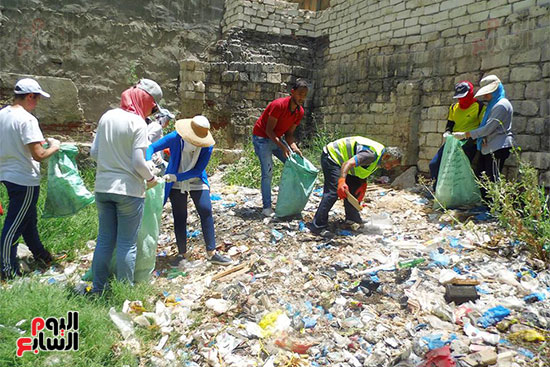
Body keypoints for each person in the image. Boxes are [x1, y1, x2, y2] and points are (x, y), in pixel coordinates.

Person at [90, 78, 161, 293]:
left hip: (103, 188)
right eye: (153, 106)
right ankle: (124, 291)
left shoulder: (107, 117)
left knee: (104, 240)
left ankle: (98, 288)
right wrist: (151, 177)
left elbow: (94, 153)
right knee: (127, 244)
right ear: (145, 100)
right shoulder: (137, 122)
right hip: (128, 191)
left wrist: (111, 163)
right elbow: (138, 162)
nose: (152, 111)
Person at [146, 115, 232, 267]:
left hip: (195, 179)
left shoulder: (207, 146)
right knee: (180, 216)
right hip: (175, 181)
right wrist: (148, 161)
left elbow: (198, 169)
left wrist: (177, 176)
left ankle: (212, 253)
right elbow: (152, 147)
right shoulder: (175, 137)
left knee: (206, 210)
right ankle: (182, 254)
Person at [0, 78, 60, 280]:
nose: (37, 104)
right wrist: (55, 146)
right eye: (37, 99)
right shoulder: (27, 120)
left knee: (28, 220)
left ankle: (41, 255)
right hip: (24, 178)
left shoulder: (3, 115)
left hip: (7, 173)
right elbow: (39, 155)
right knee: (14, 225)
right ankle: (7, 269)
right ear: (30, 96)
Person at [308, 136, 402, 234]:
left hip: (346, 164)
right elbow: (347, 164)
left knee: (354, 190)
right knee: (333, 192)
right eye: (390, 165)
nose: (389, 168)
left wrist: (362, 183)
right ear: (386, 157)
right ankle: (318, 226)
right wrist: (341, 181)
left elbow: (363, 168)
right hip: (333, 157)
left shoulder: (379, 157)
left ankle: (352, 219)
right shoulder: (370, 155)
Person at [252, 79, 308, 216]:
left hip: (277, 138)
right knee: (268, 172)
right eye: (300, 94)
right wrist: (283, 146)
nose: (302, 98)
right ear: (292, 92)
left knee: (294, 165)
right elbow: (268, 130)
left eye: (305, 95)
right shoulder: (279, 105)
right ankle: (266, 207)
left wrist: (294, 147)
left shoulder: (299, 112)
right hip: (262, 138)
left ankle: (291, 202)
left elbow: (289, 135)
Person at [453, 75, 514, 186]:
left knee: (492, 179)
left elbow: (488, 128)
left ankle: (491, 203)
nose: (485, 96)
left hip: (498, 147)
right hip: (489, 145)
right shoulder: (493, 104)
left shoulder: (501, 105)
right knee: (482, 177)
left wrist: (466, 134)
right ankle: (484, 202)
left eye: (488, 93)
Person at [429, 81, 485, 190]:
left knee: (457, 171)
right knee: (434, 164)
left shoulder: (479, 107)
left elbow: (482, 128)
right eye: (459, 98)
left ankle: (452, 195)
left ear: (470, 94)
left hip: (469, 144)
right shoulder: (454, 107)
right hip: (453, 141)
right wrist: (448, 132)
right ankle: (436, 190)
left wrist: (467, 136)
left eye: (463, 97)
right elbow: (450, 123)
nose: (461, 100)